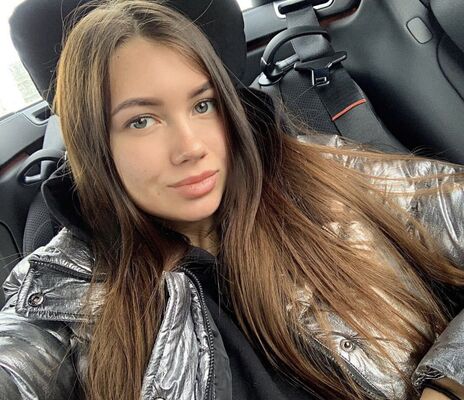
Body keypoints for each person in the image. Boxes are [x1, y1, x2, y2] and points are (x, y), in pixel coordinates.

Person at [1, 0, 464, 399]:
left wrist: (446, 384)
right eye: (141, 121)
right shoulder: (57, 290)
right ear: (95, 144)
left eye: (202, 105)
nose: (191, 147)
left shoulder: (325, 176)